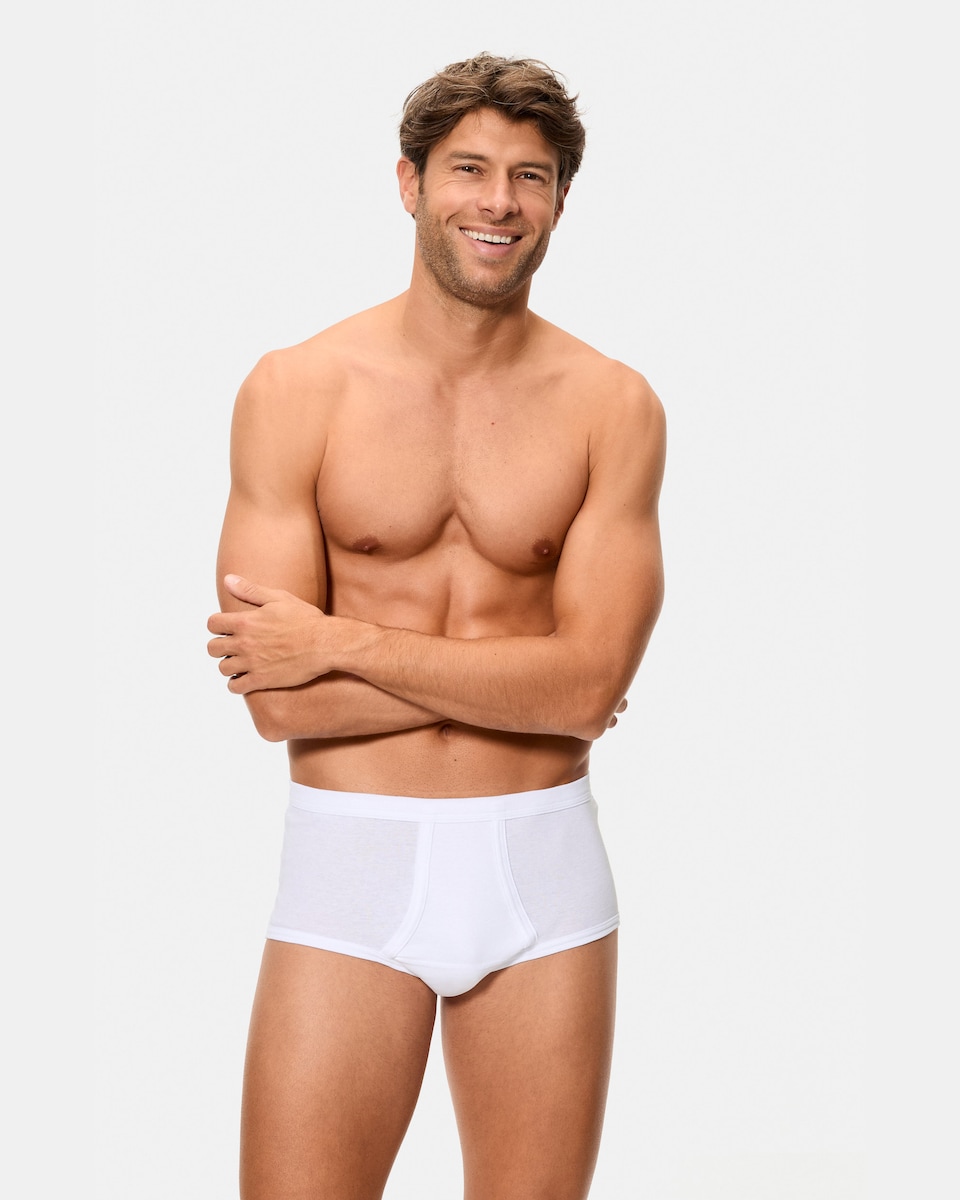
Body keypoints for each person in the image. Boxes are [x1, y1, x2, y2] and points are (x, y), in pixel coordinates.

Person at [207, 52, 665, 1200]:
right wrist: (534, 676)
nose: (497, 201)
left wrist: (341, 641)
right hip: (352, 868)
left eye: (530, 176)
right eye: (468, 169)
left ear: (560, 200)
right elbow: (277, 704)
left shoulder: (612, 406)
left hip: (542, 870)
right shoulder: (297, 390)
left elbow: (584, 691)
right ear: (410, 182)